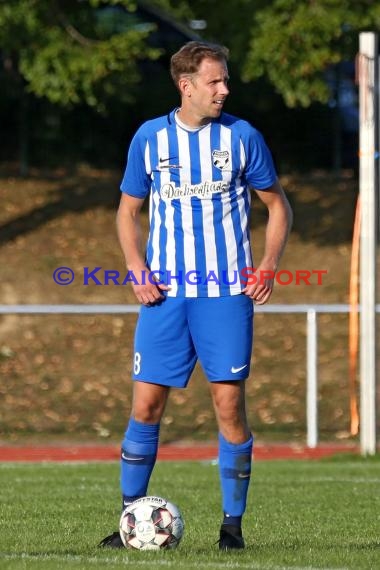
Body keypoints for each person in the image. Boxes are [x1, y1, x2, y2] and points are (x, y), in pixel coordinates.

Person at [99, 40, 292, 551]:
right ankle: (129, 521)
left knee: (229, 408)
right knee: (145, 407)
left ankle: (232, 527)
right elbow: (126, 211)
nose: (224, 90)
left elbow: (277, 206)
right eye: (215, 81)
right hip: (164, 297)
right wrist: (136, 267)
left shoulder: (242, 137)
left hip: (226, 293)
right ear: (186, 86)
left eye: (225, 80)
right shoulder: (150, 138)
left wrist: (268, 265)